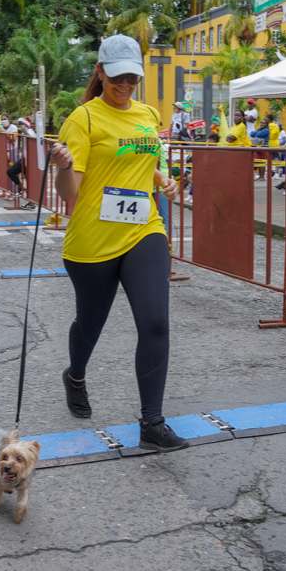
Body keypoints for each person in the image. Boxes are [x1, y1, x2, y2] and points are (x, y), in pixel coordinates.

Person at [51, 33, 187, 452]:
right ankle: (75, 376)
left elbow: (144, 163)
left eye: (132, 77)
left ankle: (152, 423)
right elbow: (68, 192)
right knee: (90, 325)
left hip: (143, 228)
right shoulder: (84, 120)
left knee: (155, 322)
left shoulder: (146, 113)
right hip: (92, 239)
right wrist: (63, 166)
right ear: (100, 73)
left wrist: (163, 179)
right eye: (117, 78)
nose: (125, 85)